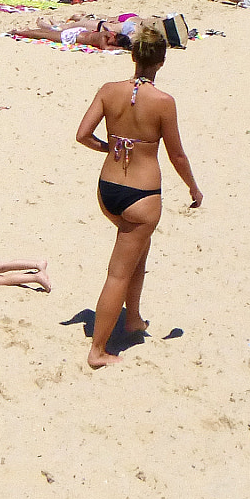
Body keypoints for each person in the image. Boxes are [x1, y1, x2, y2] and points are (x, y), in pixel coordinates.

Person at [74, 26, 201, 368]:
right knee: (118, 271)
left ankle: (133, 319)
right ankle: (98, 350)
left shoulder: (108, 90)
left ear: (133, 56)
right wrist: (193, 187)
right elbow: (177, 156)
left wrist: (111, 147)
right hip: (142, 196)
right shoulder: (163, 102)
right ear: (161, 61)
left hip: (107, 189)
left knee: (136, 258)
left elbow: (83, 135)